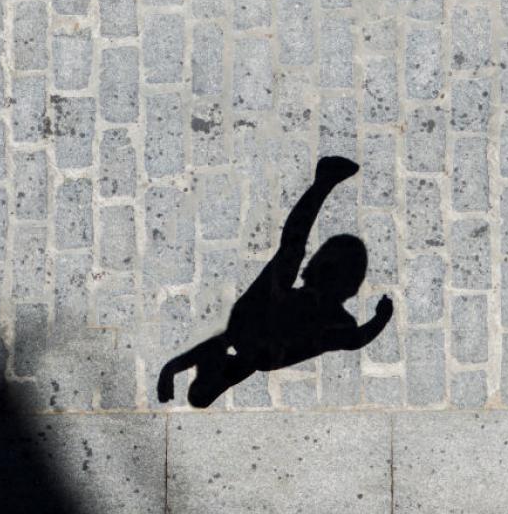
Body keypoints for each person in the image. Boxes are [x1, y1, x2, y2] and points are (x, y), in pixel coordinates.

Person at [157, 156, 394, 408]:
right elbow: (352, 340)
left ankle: (324, 180)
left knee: (291, 249)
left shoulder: (245, 340)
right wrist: (381, 317)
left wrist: (171, 370)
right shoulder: (263, 353)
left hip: (265, 309)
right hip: (287, 315)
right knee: (292, 250)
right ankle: (324, 180)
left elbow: (217, 347)